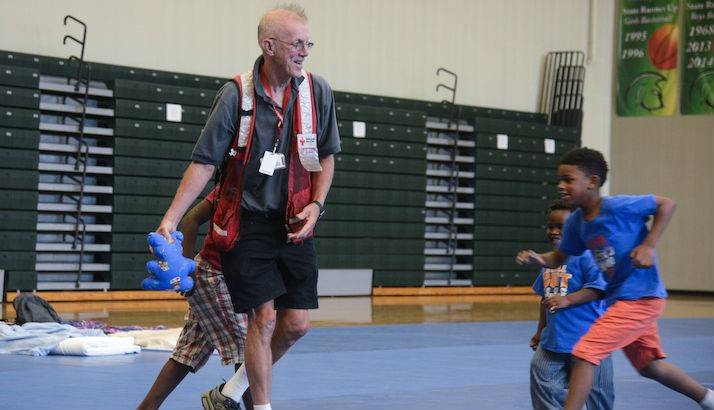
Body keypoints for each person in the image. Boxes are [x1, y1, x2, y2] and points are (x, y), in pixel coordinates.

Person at [155, 4, 340, 410]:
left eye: (310, 44)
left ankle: (229, 393)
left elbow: (326, 156)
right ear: (268, 45)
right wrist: (170, 220)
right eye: (297, 44)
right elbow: (204, 164)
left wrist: (317, 205)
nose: (305, 52)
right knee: (264, 319)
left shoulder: (317, 91)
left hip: (295, 223)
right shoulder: (235, 96)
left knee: (296, 324)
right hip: (246, 227)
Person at [517, 147, 714, 410]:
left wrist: (649, 245)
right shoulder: (576, 222)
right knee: (649, 366)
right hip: (621, 301)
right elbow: (559, 258)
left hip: (641, 298)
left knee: (584, 354)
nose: (561, 186)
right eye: (559, 180)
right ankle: (707, 398)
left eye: (568, 179)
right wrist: (539, 259)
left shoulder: (617, 206)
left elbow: (667, 204)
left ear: (592, 182)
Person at [138, 190, 253, 410]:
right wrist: (187, 271)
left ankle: (146, 407)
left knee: (189, 350)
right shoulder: (234, 188)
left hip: (229, 276)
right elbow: (191, 219)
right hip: (214, 275)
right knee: (249, 348)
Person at [529, 199, 613, 410]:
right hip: (554, 342)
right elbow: (544, 299)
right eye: (551, 226)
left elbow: (598, 288)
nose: (554, 231)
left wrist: (567, 300)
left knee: (598, 395)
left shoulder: (590, 256)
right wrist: (540, 331)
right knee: (542, 380)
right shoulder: (549, 263)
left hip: (590, 341)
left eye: (561, 227)